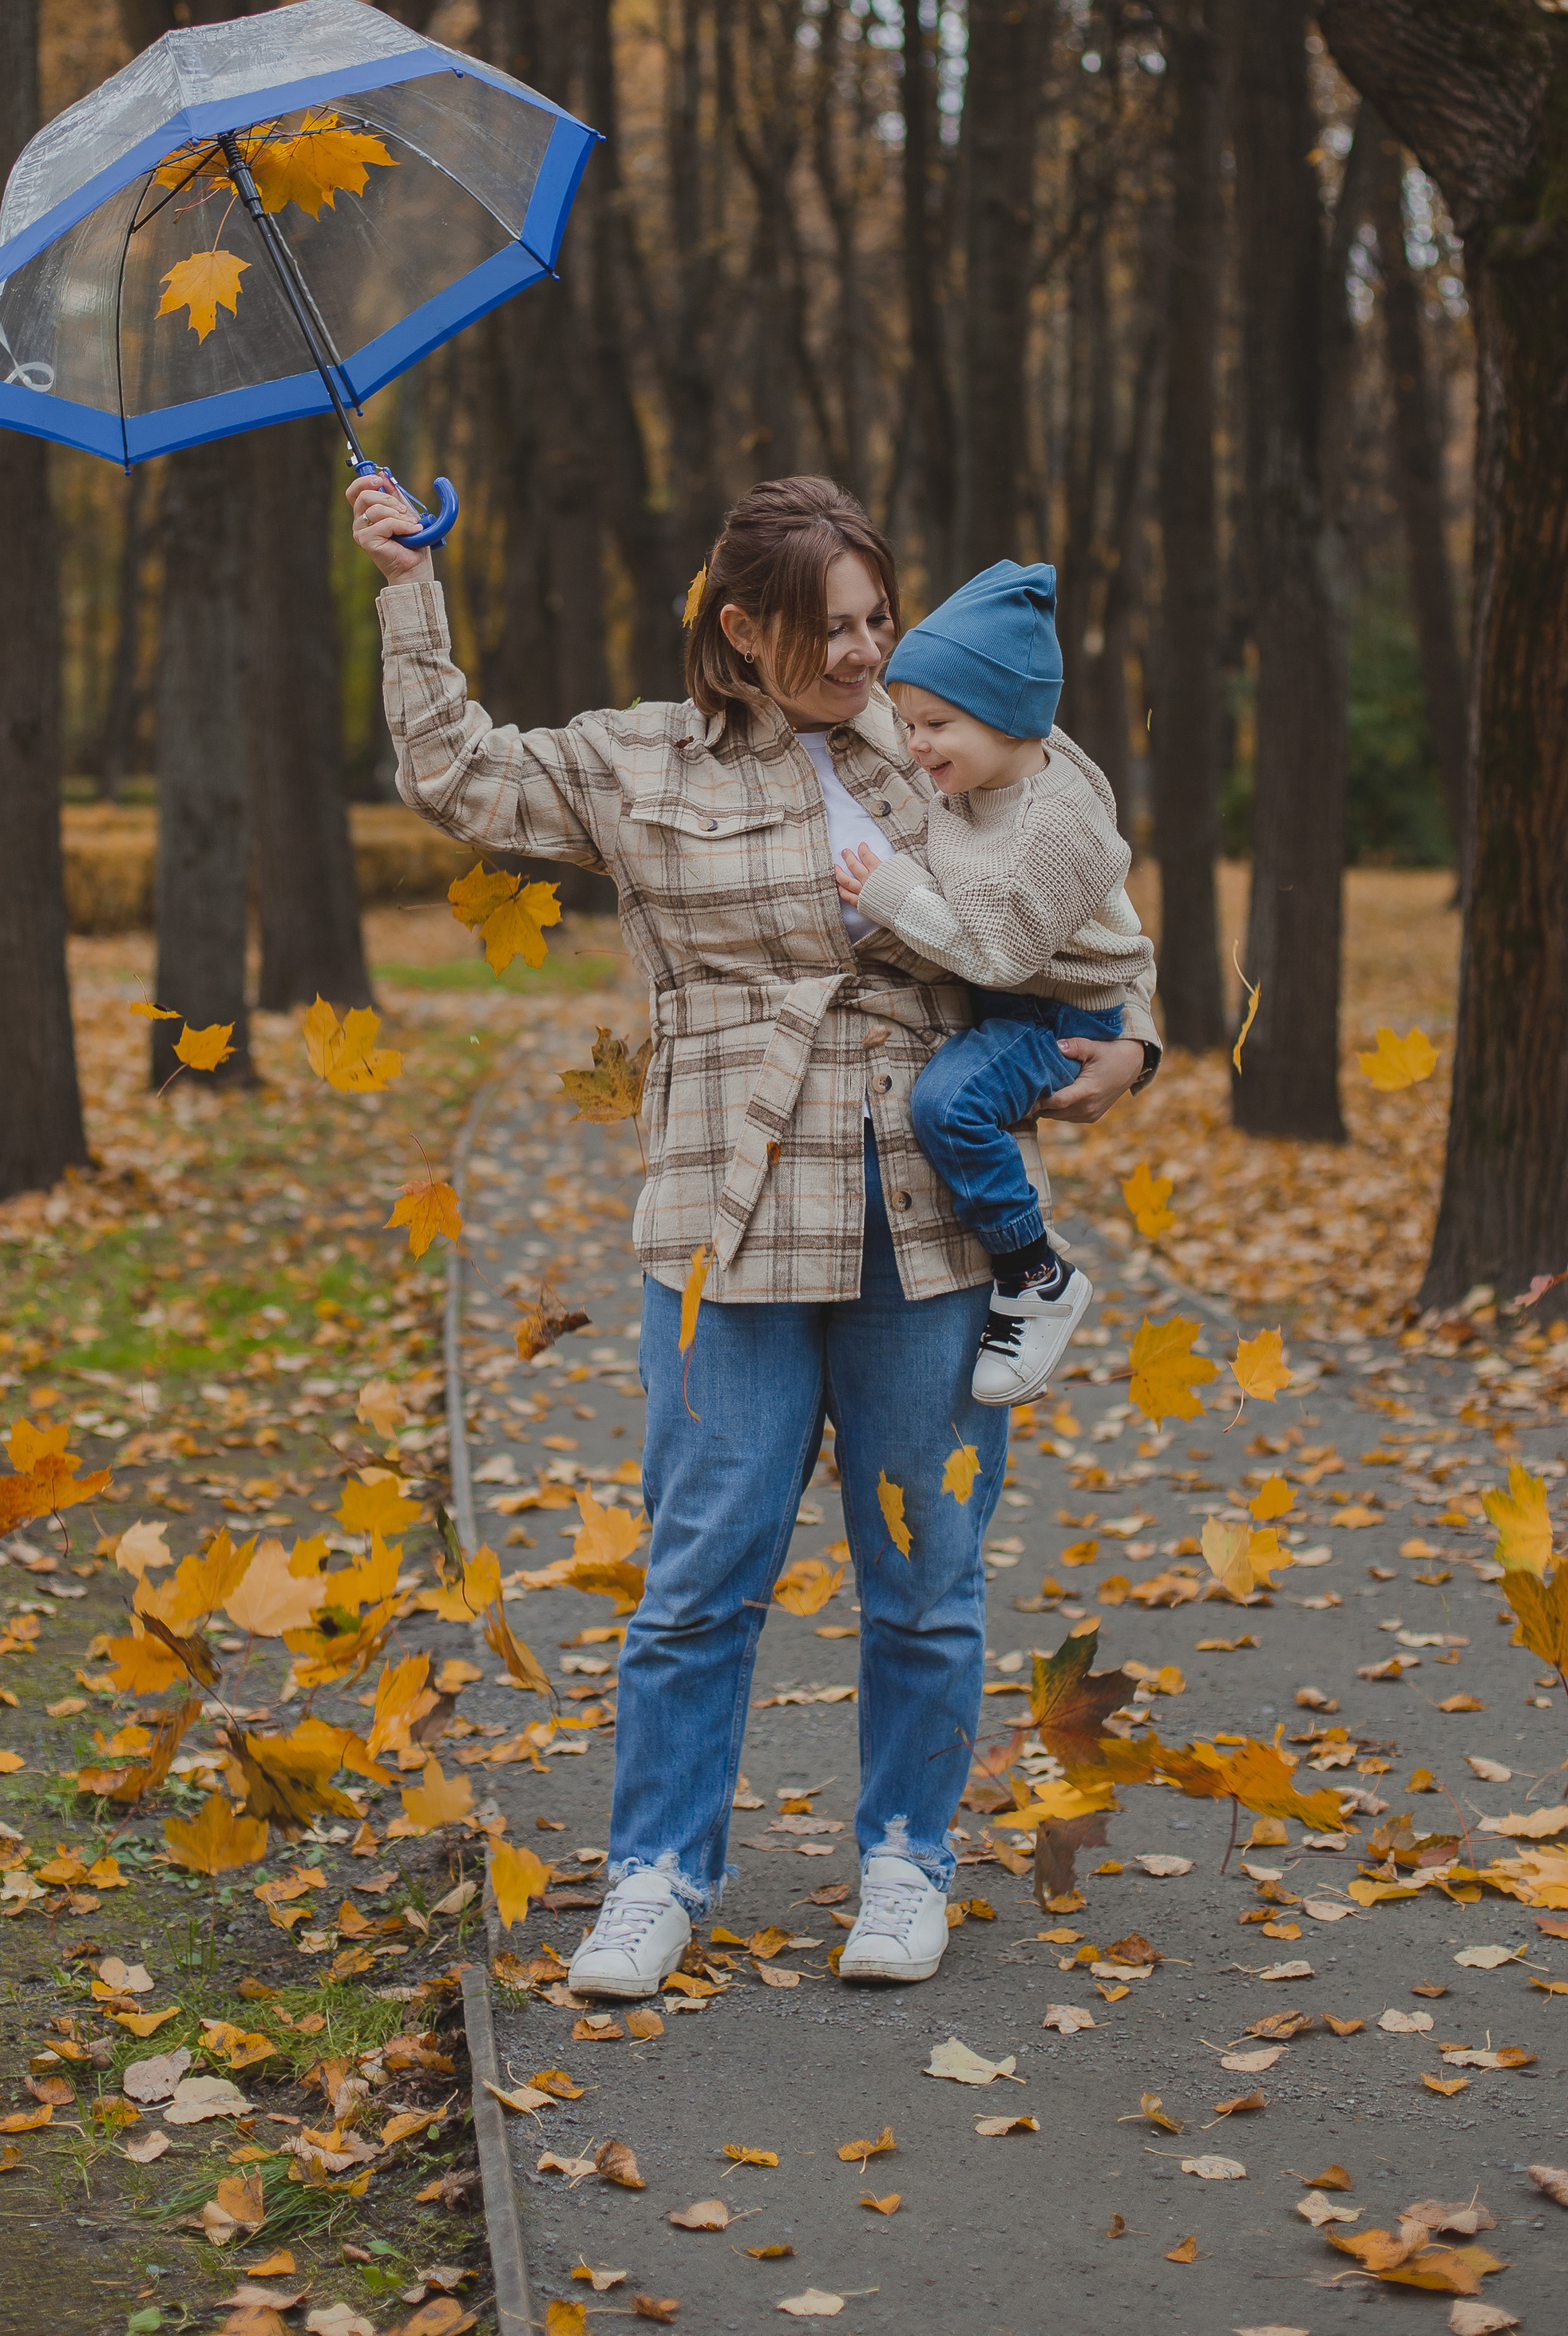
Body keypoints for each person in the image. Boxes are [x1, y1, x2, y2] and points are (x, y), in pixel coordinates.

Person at [350, 473, 1150, 1998]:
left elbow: (1081, 895)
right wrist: (407, 586)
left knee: (924, 1565)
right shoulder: (639, 764)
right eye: (831, 629)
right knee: (702, 1566)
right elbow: (456, 773)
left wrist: (1141, 1044)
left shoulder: (941, 746)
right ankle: (655, 1873)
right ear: (740, 629)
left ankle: (908, 1858)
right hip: (732, 1214)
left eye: (878, 620)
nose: (867, 656)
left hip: (929, 1224)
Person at [830, 558, 1158, 1408]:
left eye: (936, 724)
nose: (916, 745)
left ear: (1011, 717)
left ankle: (1034, 1272)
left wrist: (892, 895)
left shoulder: (1054, 828)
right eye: (908, 725)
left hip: (1053, 1013)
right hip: (1031, 993)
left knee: (950, 1104)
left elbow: (1001, 956)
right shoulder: (994, 766)